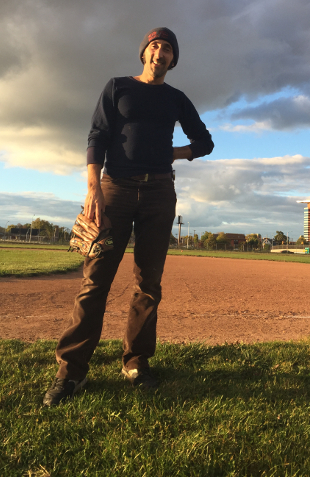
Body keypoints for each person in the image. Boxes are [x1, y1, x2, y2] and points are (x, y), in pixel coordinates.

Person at [43, 27, 214, 406]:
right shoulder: (118, 86)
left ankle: (136, 363)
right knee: (95, 279)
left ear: (173, 59)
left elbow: (205, 142)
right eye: (155, 46)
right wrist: (94, 190)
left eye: (168, 48)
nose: (160, 52)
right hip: (115, 190)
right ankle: (71, 372)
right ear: (144, 54)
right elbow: (96, 136)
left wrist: (170, 154)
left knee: (148, 283)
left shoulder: (176, 98)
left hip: (158, 193)